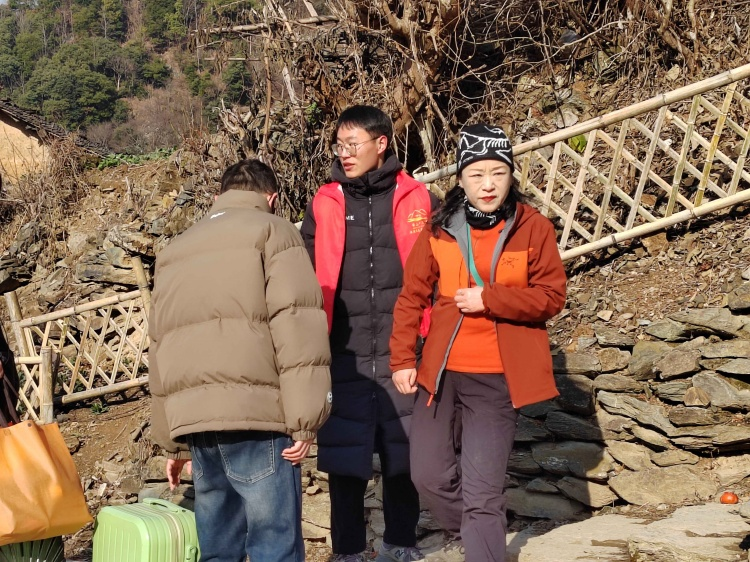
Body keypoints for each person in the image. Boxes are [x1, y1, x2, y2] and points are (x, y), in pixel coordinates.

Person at [389, 124, 567, 562]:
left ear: (511, 175)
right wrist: (402, 359)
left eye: (498, 173)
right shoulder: (439, 229)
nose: (488, 184)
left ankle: (483, 543)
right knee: (428, 476)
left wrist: (491, 299)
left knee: (483, 491)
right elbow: (411, 296)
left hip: (497, 378)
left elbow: (551, 297)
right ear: (461, 179)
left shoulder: (533, 227)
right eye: (477, 174)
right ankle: (475, 533)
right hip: (440, 375)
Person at [149, 159, 332, 562]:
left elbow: (160, 348)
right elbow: (296, 324)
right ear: (272, 198)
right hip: (257, 418)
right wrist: (306, 421)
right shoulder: (274, 232)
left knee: (218, 549)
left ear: (218, 197)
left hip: (198, 426)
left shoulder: (174, 251)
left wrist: (172, 444)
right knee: (274, 546)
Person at [300, 105, 439, 562]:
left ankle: (401, 542)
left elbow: (441, 271)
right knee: (345, 460)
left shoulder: (417, 197)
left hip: (406, 348)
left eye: (352, 144)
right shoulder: (325, 202)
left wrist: (426, 339)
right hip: (344, 351)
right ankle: (348, 551)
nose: (344, 153)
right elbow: (304, 273)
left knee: (404, 452)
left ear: (382, 144)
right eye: (339, 145)